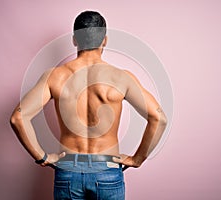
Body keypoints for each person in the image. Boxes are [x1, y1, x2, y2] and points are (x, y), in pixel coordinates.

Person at [10, 10, 167, 200]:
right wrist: (137, 159)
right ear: (105, 40)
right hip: (107, 171)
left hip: (68, 171)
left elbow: (18, 117)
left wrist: (42, 157)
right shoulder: (121, 78)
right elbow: (158, 118)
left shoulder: (55, 76)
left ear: (75, 40)